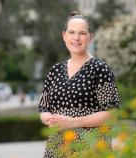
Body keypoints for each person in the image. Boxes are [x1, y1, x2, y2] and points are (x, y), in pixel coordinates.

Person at [38, 11, 120, 157]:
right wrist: (50, 119)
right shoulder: (55, 71)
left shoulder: (100, 69)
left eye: (82, 33)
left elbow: (112, 114)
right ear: (64, 36)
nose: (76, 38)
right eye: (72, 32)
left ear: (90, 37)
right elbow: (44, 109)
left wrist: (72, 122)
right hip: (58, 148)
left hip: (91, 147)